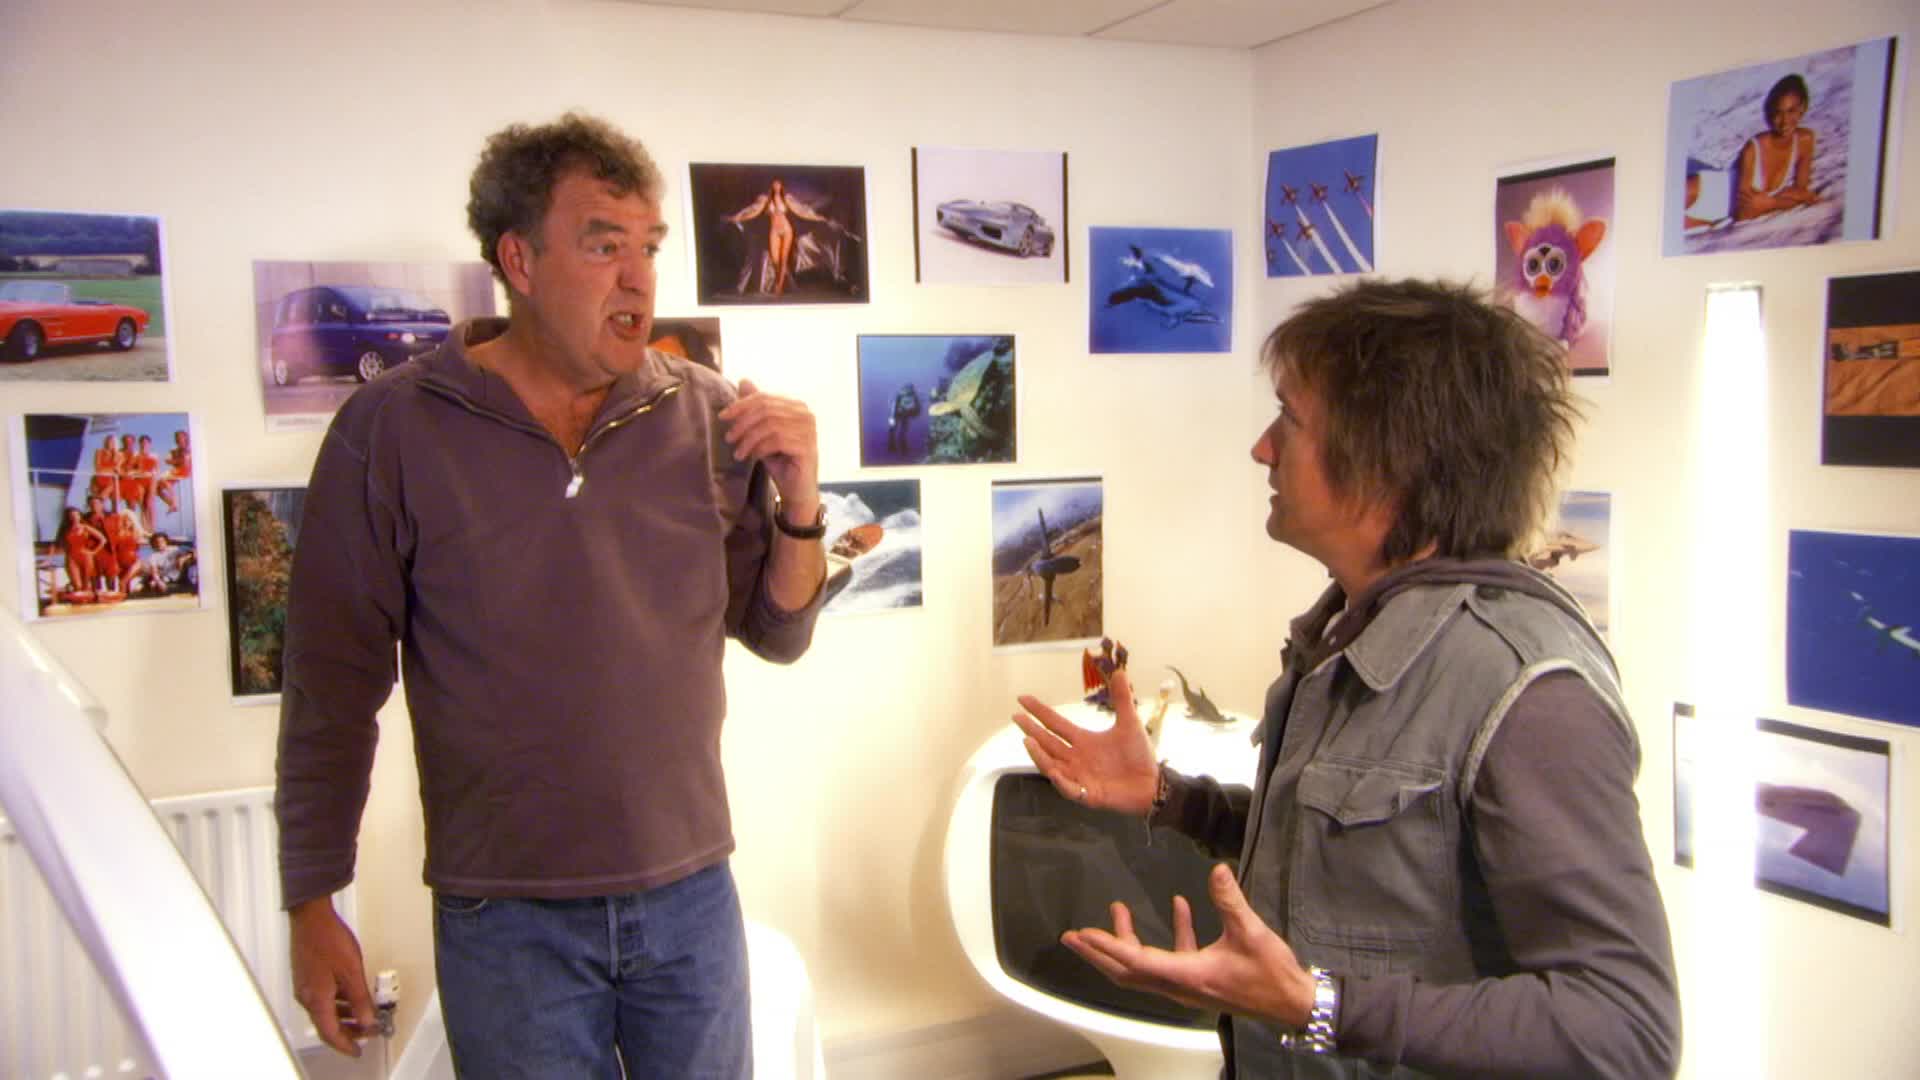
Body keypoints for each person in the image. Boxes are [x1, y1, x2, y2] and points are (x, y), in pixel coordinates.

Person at [275, 112, 828, 1077]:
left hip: (690, 894)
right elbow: (331, 684)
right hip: (506, 917)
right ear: (519, 261)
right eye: (603, 245)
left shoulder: (705, 414)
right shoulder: (393, 430)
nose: (639, 277)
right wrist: (312, 903)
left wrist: (803, 502)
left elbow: (779, 633)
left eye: (649, 246)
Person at [1013, 279, 1680, 1078]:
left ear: (1387, 460)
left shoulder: (1528, 689)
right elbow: (1355, 858)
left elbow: (1625, 1030)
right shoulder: (1345, 632)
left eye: (1289, 419)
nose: (1263, 448)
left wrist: (1317, 1006)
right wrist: (1168, 798)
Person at [726, 176, 833, 296]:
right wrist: (737, 217)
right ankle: (782, 282)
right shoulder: (764, 199)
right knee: (775, 259)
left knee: (783, 258)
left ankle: (779, 287)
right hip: (774, 230)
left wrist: (818, 217)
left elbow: (801, 211)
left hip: (787, 230)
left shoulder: (787, 198)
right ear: (771, 185)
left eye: (778, 184)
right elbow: (753, 211)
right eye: (774, 184)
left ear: (781, 185)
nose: (776, 186)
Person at [1733, 73, 1818, 222]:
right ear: (1770, 114)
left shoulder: (1805, 140)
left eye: (1791, 111)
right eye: (1778, 113)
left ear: (1802, 108)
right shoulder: (1753, 149)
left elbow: (1801, 193)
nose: (1785, 121)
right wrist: (1777, 202)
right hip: (1706, 192)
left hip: (1717, 214)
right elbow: (1742, 214)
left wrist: (1771, 203)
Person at [56, 506, 106, 603]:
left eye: (77, 515)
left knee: (86, 585)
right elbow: (58, 544)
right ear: (69, 517)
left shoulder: (85, 527)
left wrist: (93, 552)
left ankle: (86, 605)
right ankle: (79, 603)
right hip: (71, 558)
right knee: (77, 585)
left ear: (80, 516)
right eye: (72, 515)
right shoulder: (65, 529)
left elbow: (103, 539)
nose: (75, 517)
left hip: (85, 556)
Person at [127, 531, 195, 595]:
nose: (159, 544)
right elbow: (154, 572)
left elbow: (193, 553)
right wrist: (159, 582)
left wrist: (183, 558)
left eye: (162, 541)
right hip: (163, 577)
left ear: (166, 542)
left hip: (176, 576)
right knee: (151, 584)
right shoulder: (153, 556)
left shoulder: (175, 549)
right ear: (153, 544)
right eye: (156, 542)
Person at [888, 380, 921, 454]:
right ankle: (893, 446)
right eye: (908, 389)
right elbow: (893, 407)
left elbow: (917, 409)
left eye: (910, 389)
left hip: (903, 415)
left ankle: (900, 447)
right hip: (896, 414)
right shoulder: (900, 395)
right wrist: (892, 417)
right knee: (893, 431)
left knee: (899, 431)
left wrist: (912, 413)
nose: (909, 391)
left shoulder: (912, 396)